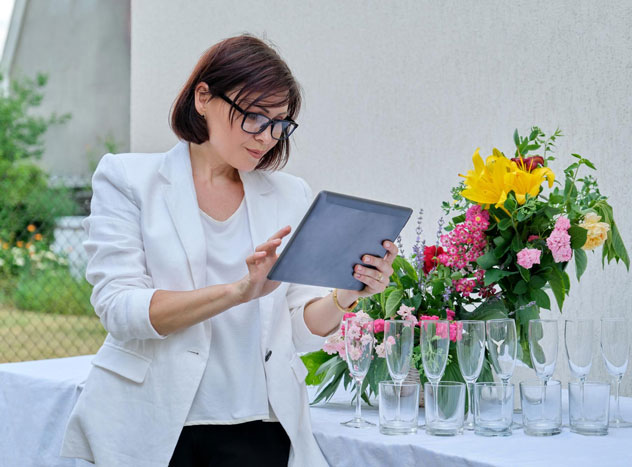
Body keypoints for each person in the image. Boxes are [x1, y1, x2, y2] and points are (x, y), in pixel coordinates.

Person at [60, 35, 397, 467]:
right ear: (203, 97)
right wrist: (238, 291)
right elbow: (120, 310)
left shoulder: (289, 194)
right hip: (155, 428)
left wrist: (345, 294)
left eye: (281, 123)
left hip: (263, 427)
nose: (269, 137)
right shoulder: (128, 179)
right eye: (256, 117)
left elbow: (297, 328)